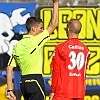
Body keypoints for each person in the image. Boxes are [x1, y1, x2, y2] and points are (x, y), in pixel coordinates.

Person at [6, 0, 58, 100]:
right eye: (41, 28)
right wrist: (55, 3)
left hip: (23, 83)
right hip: (35, 80)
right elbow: (54, 24)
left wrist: (9, 89)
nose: (43, 31)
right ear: (33, 29)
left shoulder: (18, 45)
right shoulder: (35, 40)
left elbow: (9, 68)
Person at [49, 19, 90, 100]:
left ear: (68, 29)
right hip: (79, 92)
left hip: (63, 92)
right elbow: (84, 71)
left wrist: (53, 90)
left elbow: (56, 70)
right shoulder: (86, 50)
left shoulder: (60, 48)